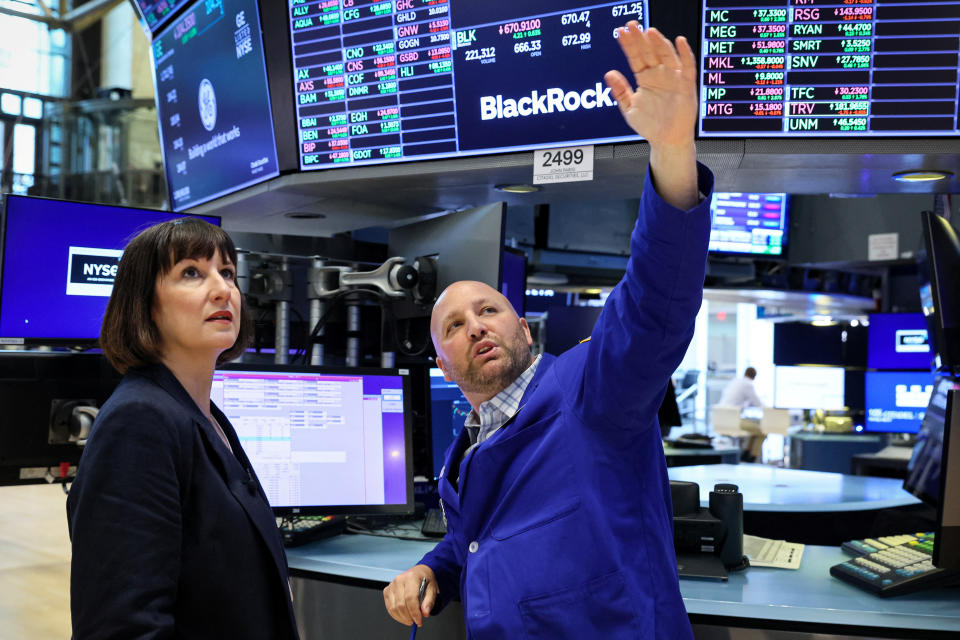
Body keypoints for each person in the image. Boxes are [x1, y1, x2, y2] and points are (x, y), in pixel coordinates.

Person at [383, 22, 713, 639]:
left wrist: (671, 148)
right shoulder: (472, 441)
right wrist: (433, 568)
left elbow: (651, 306)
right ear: (444, 367)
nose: (475, 325)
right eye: (453, 326)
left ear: (526, 333)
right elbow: (479, 540)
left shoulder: (589, 389)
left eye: (489, 309)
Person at [67, 219, 299, 640]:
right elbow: (122, 626)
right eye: (191, 272)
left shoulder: (206, 416)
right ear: (144, 304)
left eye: (226, 272)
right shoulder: (138, 423)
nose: (221, 288)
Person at [717, 367, 767, 462]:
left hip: (721, 419)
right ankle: (751, 457)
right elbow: (758, 403)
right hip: (732, 421)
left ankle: (746, 453)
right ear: (754, 377)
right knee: (762, 430)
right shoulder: (748, 385)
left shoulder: (735, 381)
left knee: (755, 430)